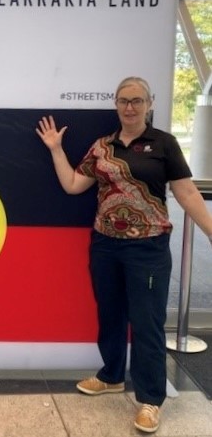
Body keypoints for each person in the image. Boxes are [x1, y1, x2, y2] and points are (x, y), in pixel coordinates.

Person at [36, 76, 212, 434]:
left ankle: (150, 400)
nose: (129, 107)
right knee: (111, 314)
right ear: (116, 105)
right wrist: (55, 148)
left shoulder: (164, 144)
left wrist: (211, 230)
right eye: (123, 101)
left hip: (147, 248)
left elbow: (187, 193)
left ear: (149, 104)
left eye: (136, 100)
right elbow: (73, 185)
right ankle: (112, 375)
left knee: (146, 323)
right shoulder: (103, 146)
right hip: (105, 245)